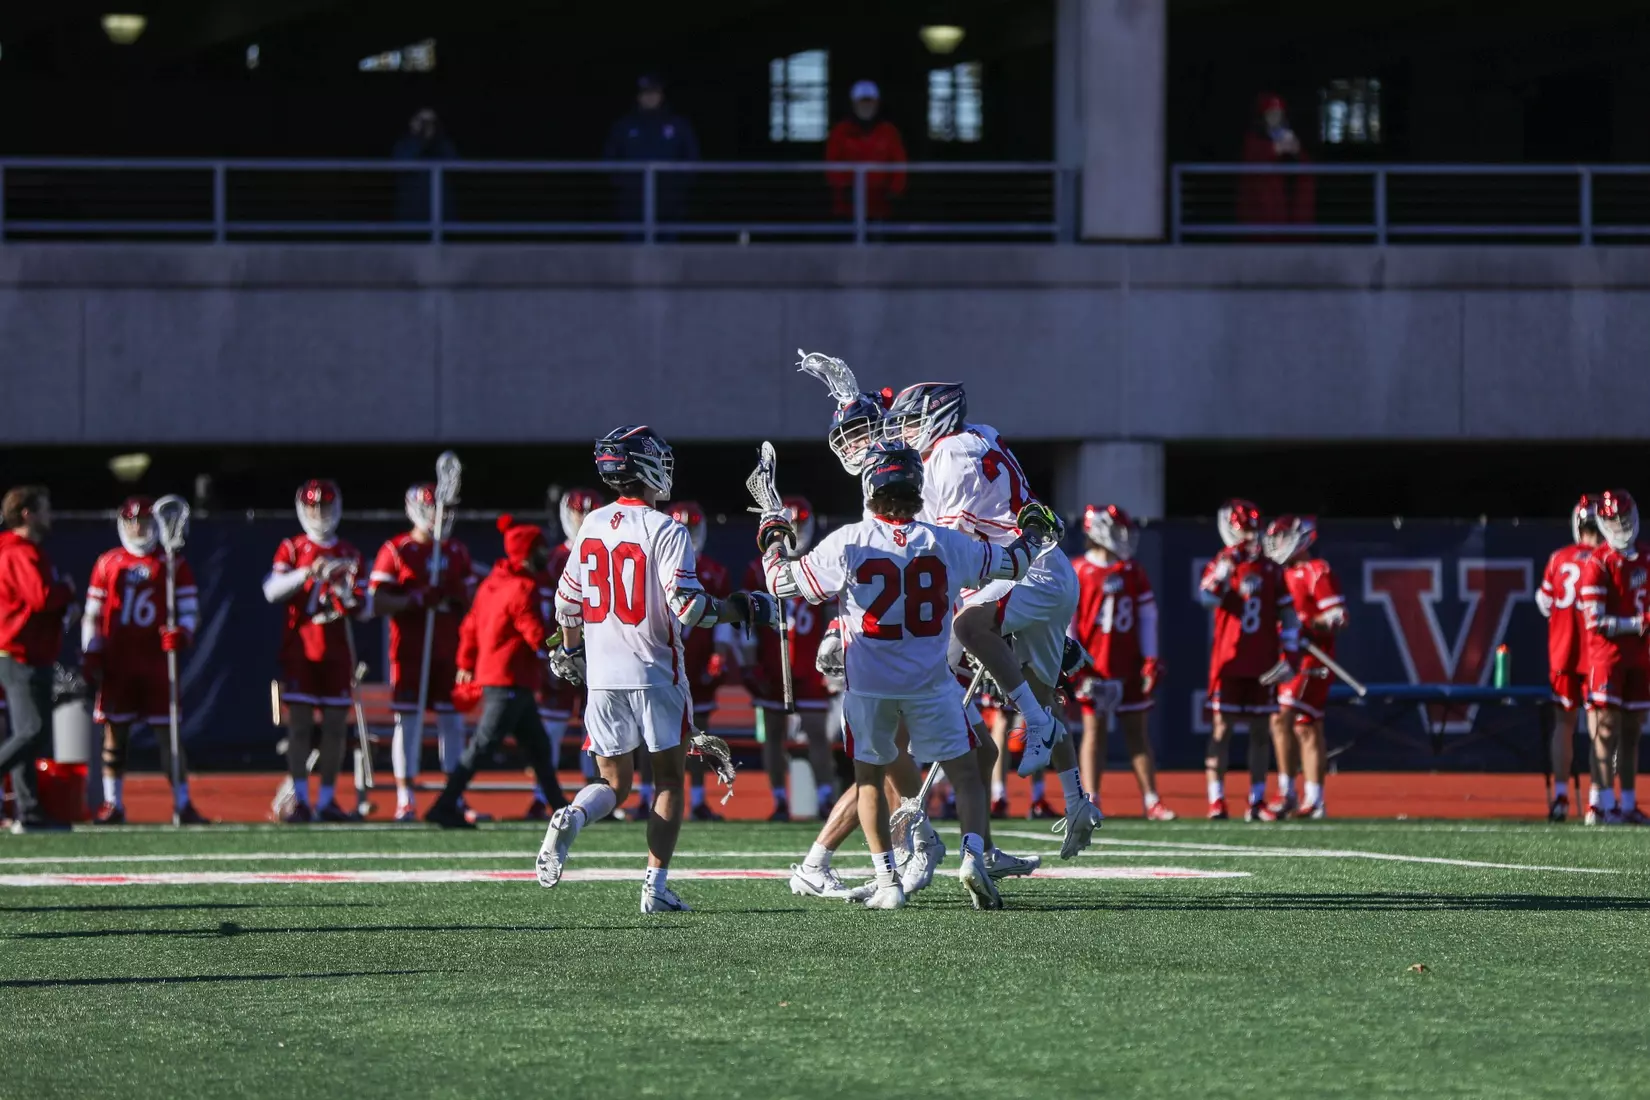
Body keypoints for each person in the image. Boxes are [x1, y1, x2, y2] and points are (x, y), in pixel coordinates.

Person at [765, 440, 1053, 910]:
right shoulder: (945, 541)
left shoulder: (848, 540)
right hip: (930, 684)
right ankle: (973, 855)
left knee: (869, 782)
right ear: (917, 488)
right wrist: (1034, 532)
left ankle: (887, 883)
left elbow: (778, 583)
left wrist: (773, 539)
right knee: (967, 775)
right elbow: (1015, 563)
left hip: (869, 686)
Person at [537, 425, 775, 913]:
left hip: (603, 678)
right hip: (655, 672)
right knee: (667, 780)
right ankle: (655, 887)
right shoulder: (667, 529)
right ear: (642, 468)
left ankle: (574, 817)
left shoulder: (591, 525)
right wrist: (742, 607)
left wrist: (570, 650)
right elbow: (688, 608)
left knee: (612, 784)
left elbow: (566, 604)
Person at [883, 381, 1104, 860]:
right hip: (1044, 568)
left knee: (965, 631)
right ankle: (1077, 802)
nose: (907, 432)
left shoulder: (948, 455)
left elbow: (953, 544)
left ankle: (1028, 728)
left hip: (1024, 569)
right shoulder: (980, 435)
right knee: (1044, 697)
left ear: (940, 418)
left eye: (912, 421)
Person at [425, 515, 569, 829]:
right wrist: (562, 650)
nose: (546, 555)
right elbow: (535, 633)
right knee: (483, 746)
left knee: (538, 747)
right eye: (540, 549)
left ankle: (560, 807)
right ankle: (444, 805)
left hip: (501, 677)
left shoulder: (491, 584)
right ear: (528, 553)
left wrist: (465, 663)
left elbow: (470, 627)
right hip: (510, 679)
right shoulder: (523, 588)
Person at [84, 496, 206, 824]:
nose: (138, 528)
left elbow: (191, 611)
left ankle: (182, 803)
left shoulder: (172, 564)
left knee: (169, 736)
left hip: (156, 662)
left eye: (145, 521)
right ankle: (113, 803)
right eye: (132, 521)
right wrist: (91, 649)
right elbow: (93, 613)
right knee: (115, 732)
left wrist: (183, 632)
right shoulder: (108, 562)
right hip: (118, 660)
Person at [368, 483, 477, 822]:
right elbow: (377, 599)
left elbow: (472, 599)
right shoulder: (398, 549)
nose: (438, 517)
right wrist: (413, 599)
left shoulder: (456, 550)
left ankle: (453, 796)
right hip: (412, 649)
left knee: (452, 722)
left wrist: (456, 594)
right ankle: (405, 797)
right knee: (409, 721)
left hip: (449, 648)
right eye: (431, 510)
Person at [262, 479, 365, 823]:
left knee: (336, 728)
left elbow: (363, 609)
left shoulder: (349, 553)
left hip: (335, 651)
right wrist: (308, 572)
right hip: (301, 650)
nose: (318, 513)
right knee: (301, 726)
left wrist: (346, 594)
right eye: (313, 507)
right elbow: (272, 591)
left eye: (324, 506)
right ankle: (301, 800)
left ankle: (327, 800)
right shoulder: (292, 548)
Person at [1070, 504, 1173, 821]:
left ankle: (1152, 800)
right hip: (1094, 664)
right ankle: (1091, 798)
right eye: (1117, 531)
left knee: (1137, 733)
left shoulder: (1132, 571)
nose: (1124, 538)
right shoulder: (1078, 570)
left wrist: (1150, 658)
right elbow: (1069, 621)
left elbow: (1147, 616)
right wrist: (1075, 665)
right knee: (1093, 730)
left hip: (1127, 662)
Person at [1199, 499, 1298, 820]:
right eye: (1245, 531)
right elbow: (1206, 598)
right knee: (1221, 729)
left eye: (1252, 531)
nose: (1250, 538)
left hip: (1264, 661)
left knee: (1259, 732)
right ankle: (1216, 799)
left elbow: (1289, 615)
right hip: (1230, 658)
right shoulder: (1223, 562)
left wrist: (1291, 655)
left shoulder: (1271, 568)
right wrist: (1224, 576)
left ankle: (1256, 799)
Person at [741, 495, 835, 821]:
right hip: (772, 662)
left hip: (809, 663)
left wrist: (831, 660)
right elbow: (747, 618)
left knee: (817, 734)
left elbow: (829, 615)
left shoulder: (817, 563)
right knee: (774, 734)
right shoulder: (756, 570)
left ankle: (825, 796)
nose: (795, 530)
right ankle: (778, 798)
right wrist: (750, 662)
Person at [524, 487, 605, 820]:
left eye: (588, 512)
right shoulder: (555, 557)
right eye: (577, 512)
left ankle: (598, 795)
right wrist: (550, 649)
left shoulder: (605, 550)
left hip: (600, 649)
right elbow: (544, 605)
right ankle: (541, 794)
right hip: (562, 648)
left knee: (598, 726)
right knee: (552, 725)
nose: (583, 519)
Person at [0, 486, 76, 833]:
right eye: (45, 509)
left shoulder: (19, 550)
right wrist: (67, 591)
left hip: (24, 649)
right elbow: (41, 597)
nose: (51, 516)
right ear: (28, 513)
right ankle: (28, 811)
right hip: (21, 651)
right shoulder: (20, 551)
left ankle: (29, 813)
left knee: (26, 732)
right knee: (33, 730)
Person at [1264, 515, 1344, 820]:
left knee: (1283, 719)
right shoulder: (1277, 574)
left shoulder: (1315, 571)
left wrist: (1309, 624)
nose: (1277, 545)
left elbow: (1338, 616)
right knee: (1305, 726)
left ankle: (1289, 793)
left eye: (1283, 537)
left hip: (1312, 658)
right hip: (1288, 658)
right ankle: (1312, 798)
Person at [1577, 489, 1650, 826]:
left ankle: (1629, 802)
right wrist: (1638, 623)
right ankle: (1602, 803)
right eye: (1613, 519)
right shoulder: (1598, 562)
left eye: (1623, 517)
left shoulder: (1646, 559)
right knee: (1606, 729)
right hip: (1607, 658)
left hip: (1639, 657)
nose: (1621, 524)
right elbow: (1596, 621)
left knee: (1633, 730)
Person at [666, 501, 737, 822]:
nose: (689, 536)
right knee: (650, 734)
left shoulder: (713, 571)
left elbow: (722, 618)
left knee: (698, 731)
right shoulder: (655, 564)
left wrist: (719, 651)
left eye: (692, 528)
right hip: (663, 658)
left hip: (695, 657)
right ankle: (648, 797)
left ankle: (695, 799)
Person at [1536, 495, 1602, 823]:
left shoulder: (1558, 558)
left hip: (1563, 651)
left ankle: (1561, 797)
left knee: (1564, 725)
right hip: (1596, 654)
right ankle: (1595, 801)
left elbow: (1544, 602)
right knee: (1598, 727)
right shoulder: (1605, 559)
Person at [604, 74, 700, 232]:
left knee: (668, 251)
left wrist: (678, 187)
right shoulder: (623, 126)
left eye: (654, 93)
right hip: (632, 203)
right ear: (638, 96)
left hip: (670, 204)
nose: (650, 97)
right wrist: (624, 184)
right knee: (633, 251)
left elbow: (692, 158)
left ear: (661, 95)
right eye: (645, 93)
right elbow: (610, 158)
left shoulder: (678, 125)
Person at [825, 80, 907, 222]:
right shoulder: (840, 131)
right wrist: (843, 187)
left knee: (878, 240)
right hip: (848, 205)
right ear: (853, 104)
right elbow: (832, 162)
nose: (866, 106)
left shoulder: (889, 131)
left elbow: (899, 162)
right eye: (862, 102)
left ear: (877, 104)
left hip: (880, 203)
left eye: (870, 102)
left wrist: (895, 190)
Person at [1238, 92, 1315, 229]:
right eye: (1271, 114)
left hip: (1286, 207)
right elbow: (1253, 162)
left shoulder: (1288, 137)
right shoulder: (1253, 139)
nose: (1276, 118)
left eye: (1279, 114)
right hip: (1261, 210)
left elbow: (1305, 167)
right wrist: (1275, 150)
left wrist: (1297, 152)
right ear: (1263, 117)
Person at [392, 108, 457, 224]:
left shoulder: (442, 144)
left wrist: (437, 134)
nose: (425, 125)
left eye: (430, 121)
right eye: (421, 120)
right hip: (411, 213)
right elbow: (402, 164)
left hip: (440, 213)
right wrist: (420, 139)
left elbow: (455, 164)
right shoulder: (403, 144)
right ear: (412, 122)